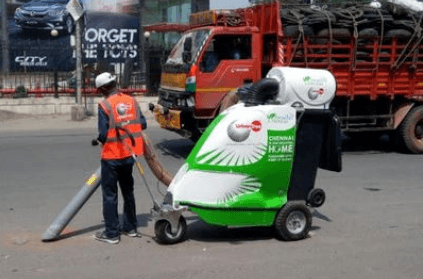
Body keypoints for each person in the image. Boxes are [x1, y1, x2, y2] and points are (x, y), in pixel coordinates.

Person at [94, 72, 147, 244]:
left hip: (111, 156)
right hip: (129, 155)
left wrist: (98, 140)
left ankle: (111, 234)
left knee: (110, 195)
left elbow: (102, 133)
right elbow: (143, 124)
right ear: (115, 83)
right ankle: (130, 227)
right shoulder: (131, 101)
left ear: (102, 89)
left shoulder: (104, 105)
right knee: (128, 191)